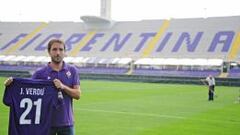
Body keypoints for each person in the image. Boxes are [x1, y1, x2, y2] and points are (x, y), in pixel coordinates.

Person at [4, 39, 81, 135]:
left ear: (65, 52)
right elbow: (27, 92)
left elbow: (78, 94)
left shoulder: (72, 70)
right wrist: (13, 84)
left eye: (61, 50)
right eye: (54, 49)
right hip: (45, 124)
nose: (58, 53)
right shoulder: (40, 73)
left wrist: (63, 87)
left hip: (66, 123)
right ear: (49, 52)